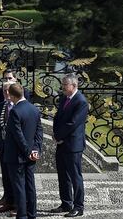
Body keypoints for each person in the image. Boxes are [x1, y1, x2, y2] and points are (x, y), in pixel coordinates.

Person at [2, 82, 42, 219]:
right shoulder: (34, 109)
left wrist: (27, 151)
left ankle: (22, 216)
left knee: (19, 188)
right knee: (30, 186)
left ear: (12, 95)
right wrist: (35, 150)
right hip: (31, 155)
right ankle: (32, 214)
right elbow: (39, 132)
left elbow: (18, 136)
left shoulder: (15, 111)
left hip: (17, 156)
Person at [50, 75, 88, 217]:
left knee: (75, 176)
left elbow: (73, 123)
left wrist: (59, 136)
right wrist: (55, 135)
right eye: (63, 84)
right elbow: (58, 118)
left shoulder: (81, 101)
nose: (63, 87)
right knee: (62, 175)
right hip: (61, 144)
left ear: (74, 85)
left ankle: (78, 206)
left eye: (65, 84)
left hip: (73, 145)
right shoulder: (65, 98)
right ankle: (66, 203)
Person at [0, 81, 16, 213]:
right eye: (4, 91)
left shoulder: (19, 106)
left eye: (9, 90)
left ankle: (18, 204)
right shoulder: (2, 105)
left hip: (15, 148)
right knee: (6, 176)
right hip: (3, 146)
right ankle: (8, 201)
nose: (6, 93)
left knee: (15, 178)